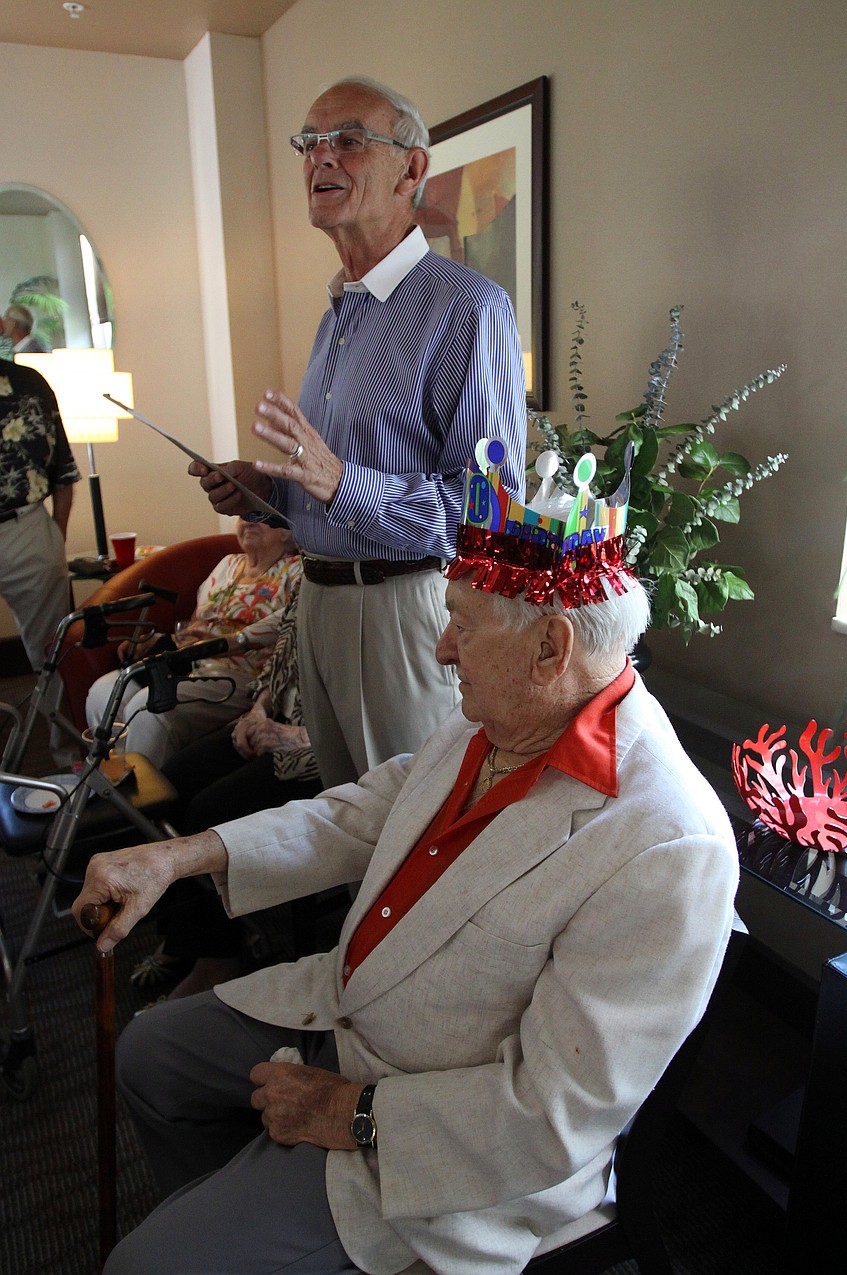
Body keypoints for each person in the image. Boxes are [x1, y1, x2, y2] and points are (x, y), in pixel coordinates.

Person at [73, 448, 739, 1275]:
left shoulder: (669, 843)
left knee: (140, 1267)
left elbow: (555, 1115)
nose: (442, 649)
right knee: (149, 1057)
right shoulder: (500, 714)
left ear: (550, 647)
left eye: (462, 623)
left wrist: (352, 1111)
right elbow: (360, 811)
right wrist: (176, 857)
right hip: (348, 1009)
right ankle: (245, 1220)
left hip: (440, 1133)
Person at [190, 75, 528, 788]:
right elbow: (327, 492)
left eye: (347, 140)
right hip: (316, 604)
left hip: (400, 614)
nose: (321, 157)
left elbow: (490, 514)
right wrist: (264, 495)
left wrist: (344, 482)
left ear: (411, 169)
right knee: (343, 823)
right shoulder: (337, 314)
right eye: (309, 143)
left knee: (406, 828)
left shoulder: (469, 308)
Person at [130, 584, 324, 1000]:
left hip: (315, 753)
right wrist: (258, 712)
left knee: (208, 813)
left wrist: (289, 736)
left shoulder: (376, 598)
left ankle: (217, 962)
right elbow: (282, 654)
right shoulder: (315, 576)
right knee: (170, 784)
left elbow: (360, 730)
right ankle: (181, 937)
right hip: (276, 722)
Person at [84, 518, 298, 767]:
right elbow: (197, 623)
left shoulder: (296, 572)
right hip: (187, 660)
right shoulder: (227, 564)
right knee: (104, 691)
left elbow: (289, 631)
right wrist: (160, 640)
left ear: (286, 531)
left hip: (242, 672)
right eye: (244, 516)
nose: (249, 522)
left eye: (260, 517)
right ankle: (115, 776)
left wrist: (222, 642)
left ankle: (148, 790)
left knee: (149, 708)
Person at [0, 356, 79, 682]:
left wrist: (56, 538)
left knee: (53, 656)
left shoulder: (29, 383)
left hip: (26, 528)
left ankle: (58, 717)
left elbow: (63, 467)